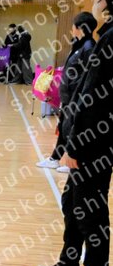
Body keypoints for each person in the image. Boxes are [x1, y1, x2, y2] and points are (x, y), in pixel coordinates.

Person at [37, 0, 113, 266]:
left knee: (90, 212)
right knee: (72, 203)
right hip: (88, 141)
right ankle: (69, 264)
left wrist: (75, 147)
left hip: (94, 144)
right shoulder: (105, 37)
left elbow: (93, 100)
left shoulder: (108, 42)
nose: (95, 3)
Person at [36, 12, 97, 172]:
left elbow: (87, 76)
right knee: (64, 128)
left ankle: (75, 163)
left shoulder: (89, 47)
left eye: (73, 26)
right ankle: (55, 159)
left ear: (80, 28)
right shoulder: (79, 45)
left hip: (76, 98)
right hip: (68, 98)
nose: (71, 29)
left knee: (72, 129)